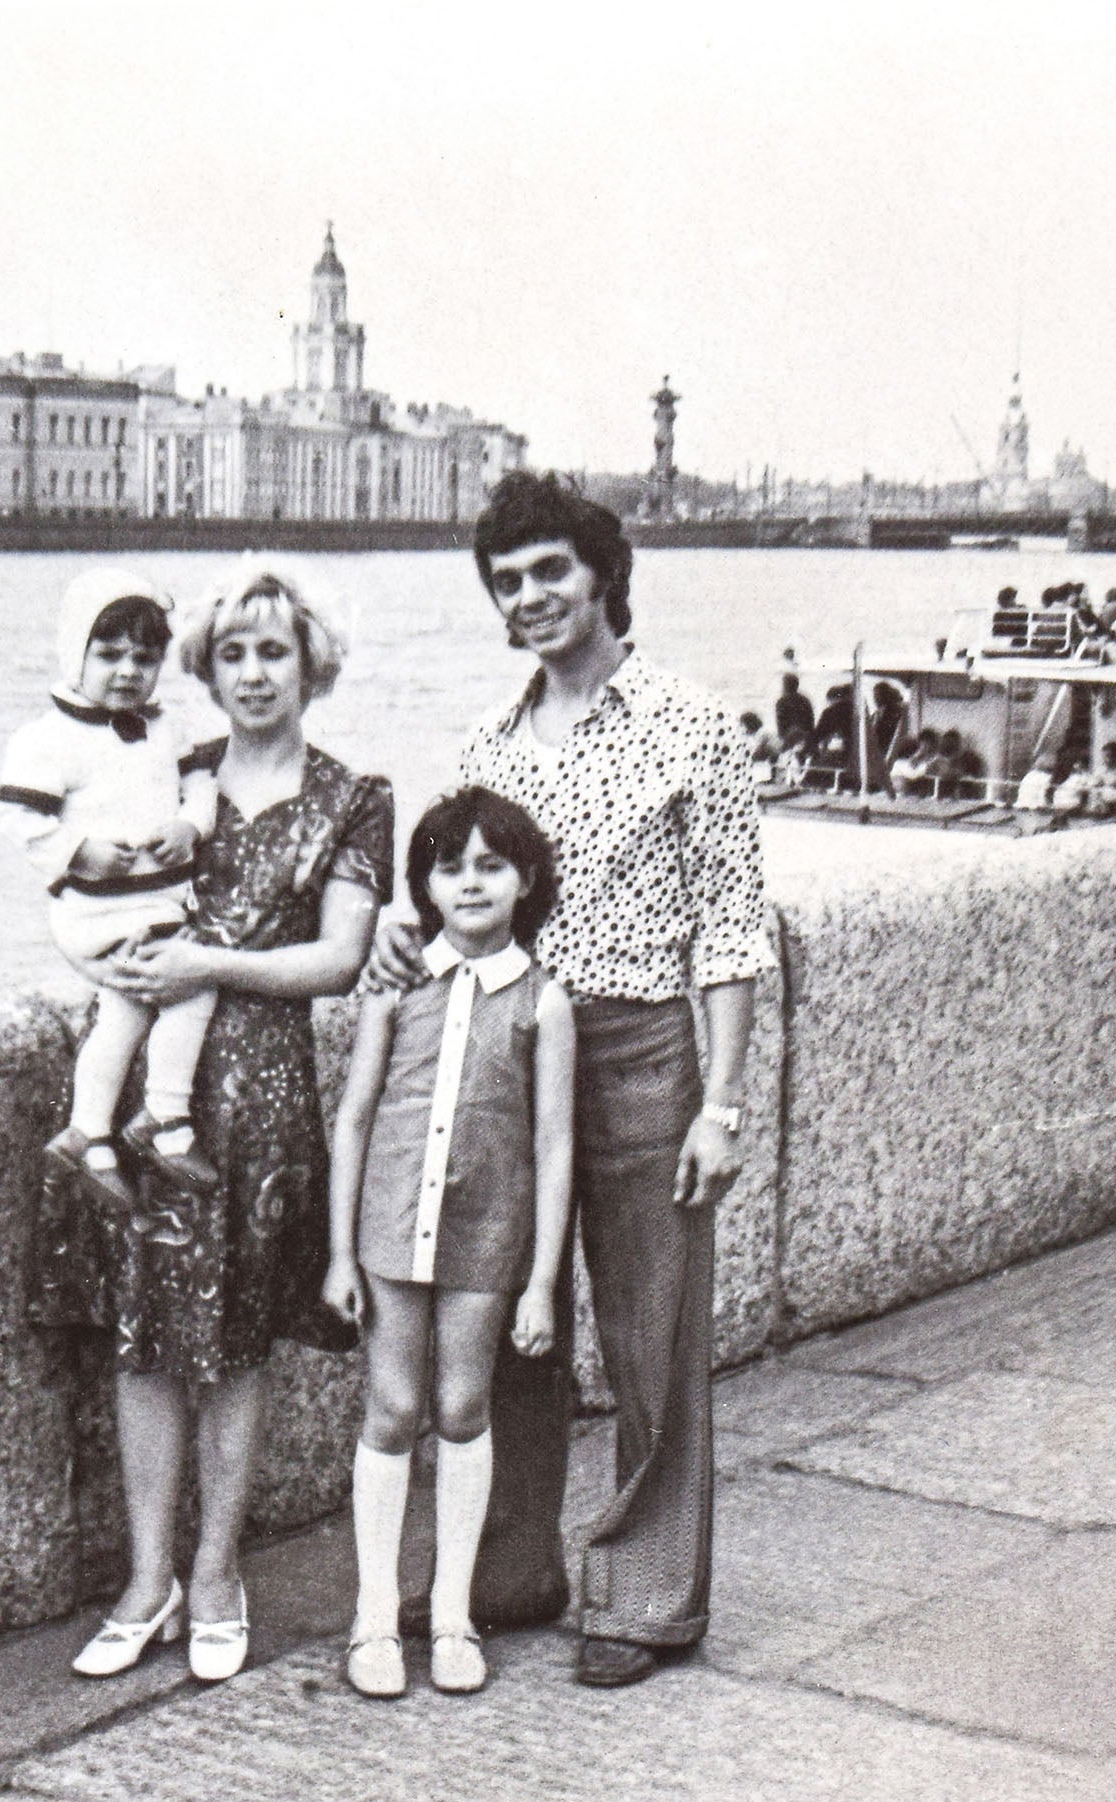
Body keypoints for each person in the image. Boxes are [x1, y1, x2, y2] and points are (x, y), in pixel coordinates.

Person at [369, 472, 773, 1690]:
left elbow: (735, 925)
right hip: (503, 1048)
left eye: (550, 571)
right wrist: (399, 935)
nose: (531, 597)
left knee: (651, 1329)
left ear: (604, 573)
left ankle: (647, 1594)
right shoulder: (489, 745)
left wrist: (724, 1099)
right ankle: (511, 1566)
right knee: (503, 1320)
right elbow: (452, 901)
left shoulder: (692, 724)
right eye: (508, 581)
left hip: (645, 1046)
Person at [27, 564, 391, 1686]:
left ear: (310, 663)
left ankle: (220, 1566)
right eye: (231, 653)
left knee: (233, 1345)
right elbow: (71, 870)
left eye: (273, 651)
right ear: (205, 667)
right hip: (148, 1097)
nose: (251, 672)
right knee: (142, 1340)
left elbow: (335, 959)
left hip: (263, 1099)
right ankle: (150, 1579)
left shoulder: (353, 795)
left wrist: (205, 962)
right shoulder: (165, 766)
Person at [325, 788, 576, 1699]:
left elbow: (555, 1145)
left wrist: (542, 1279)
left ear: (526, 879)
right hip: (391, 1232)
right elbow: (353, 1117)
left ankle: (453, 1614)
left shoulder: (545, 1003)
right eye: (448, 865)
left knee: (465, 1407)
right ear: (423, 884)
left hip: (486, 1239)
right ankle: (374, 1615)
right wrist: (339, 1254)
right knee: (392, 1409)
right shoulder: (397, 988)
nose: (469, 883)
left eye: (490, 865)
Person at [0, 567, 222, 1227]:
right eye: (110, 654)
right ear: (77, 653)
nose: (128, 671)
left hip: (155, 904)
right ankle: (166, 1116)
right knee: (193, 984)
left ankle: (89, 1134)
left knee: (126, 1008)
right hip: (95, 912)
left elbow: (200, 787)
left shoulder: (165, 729)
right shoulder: (47, 738)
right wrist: (79, 851)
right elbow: (20, 820)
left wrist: (190, 827)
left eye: (145, 659)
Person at [773, 671, 815, 755]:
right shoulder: (805, 700)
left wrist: (783, 740)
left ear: (785, 685)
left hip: (790, 737)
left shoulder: (782, 701)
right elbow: (811, 721)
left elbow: (781, 724)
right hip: (806, 737)